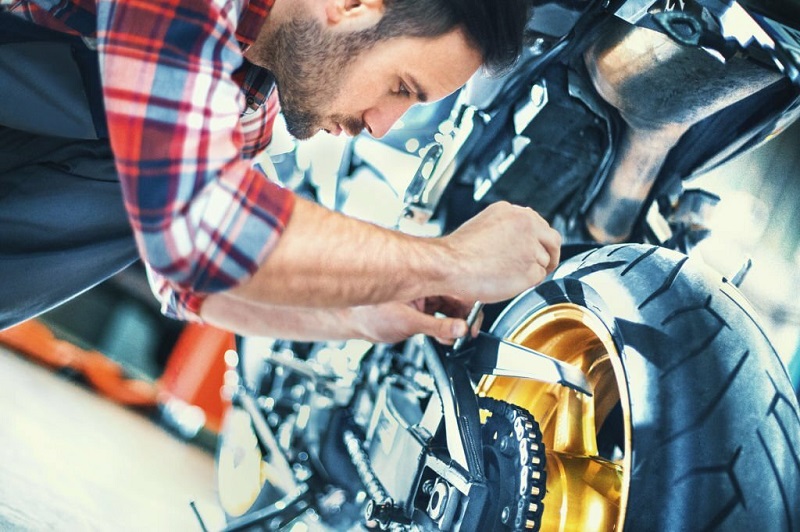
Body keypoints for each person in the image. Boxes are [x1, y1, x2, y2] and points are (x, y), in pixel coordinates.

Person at [0, 0, 561, 343]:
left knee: (142, 193)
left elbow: (187, 280)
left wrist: (357, 311)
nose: (383, 124)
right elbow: (201, 230)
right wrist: (450, 262)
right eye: (400, 87)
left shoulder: (246, 101)